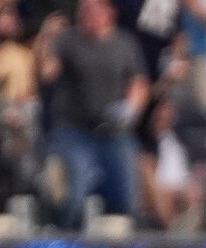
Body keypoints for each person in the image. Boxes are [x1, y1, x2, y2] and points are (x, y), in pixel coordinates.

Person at [36, 0, 148, 228]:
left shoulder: (124, 43)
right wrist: (45, 38)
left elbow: (139, 82)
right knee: (75, 190)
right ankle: (67, 243)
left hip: (113, 130)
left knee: (126, 194)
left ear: (109, 12)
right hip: (74, 130)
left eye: (93, 10)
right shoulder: (67, 41)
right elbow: (47, 73)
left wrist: (131, 107)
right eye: (83, 10)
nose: (87, 15)